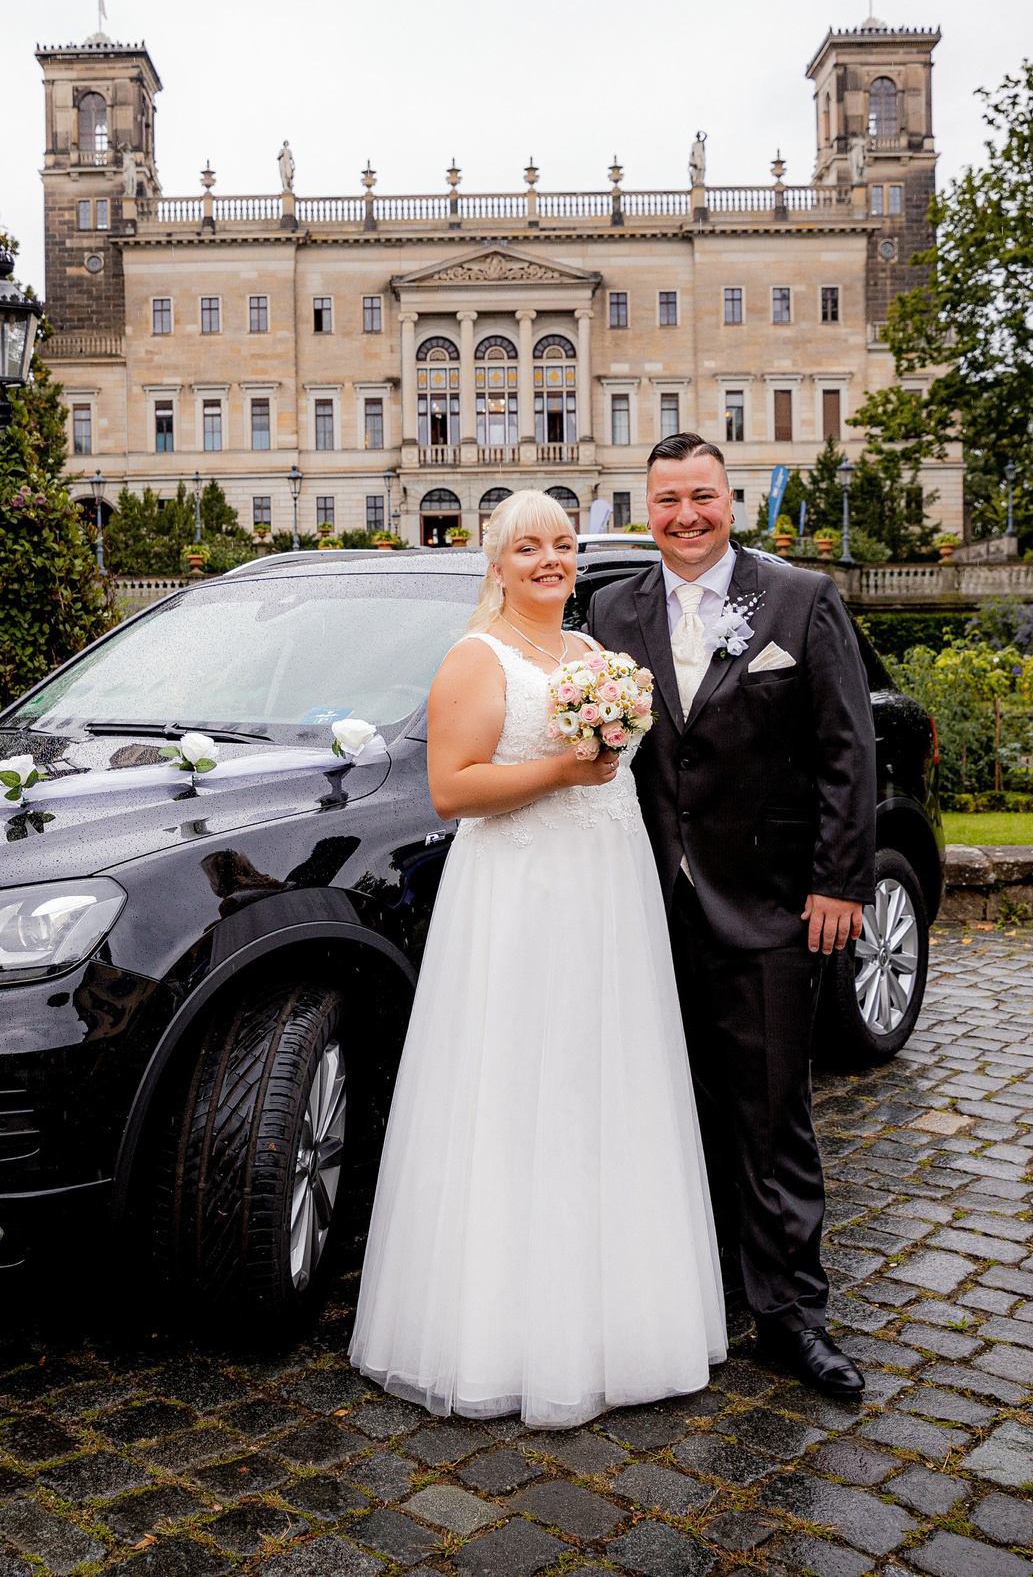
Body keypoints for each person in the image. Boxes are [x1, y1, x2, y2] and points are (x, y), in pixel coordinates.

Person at [352, 492, 725, 1428]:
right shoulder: (478, 659)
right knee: (522, 1087)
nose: (550, 561)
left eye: (562, 544)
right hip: (519, 899)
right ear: (498, 562)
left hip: (607, 892)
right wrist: (564, 768)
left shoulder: (598, 659)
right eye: (530, 548)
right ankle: (507, 1334)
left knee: (606, 1087)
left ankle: (623, 1324)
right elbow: (451, 789)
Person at [588, 434, 877, 1401]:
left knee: (771, 1115)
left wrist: (839, 882)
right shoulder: (610, 610)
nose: (684, 515)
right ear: (647, 506)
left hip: (767, 906)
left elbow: (848, 751)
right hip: (647, 914)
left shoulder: (800, 601)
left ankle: (794, 1317)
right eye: (666, 498)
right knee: (671, 1111)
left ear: (731, 500)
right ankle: (696, 1295)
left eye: (701, 495)